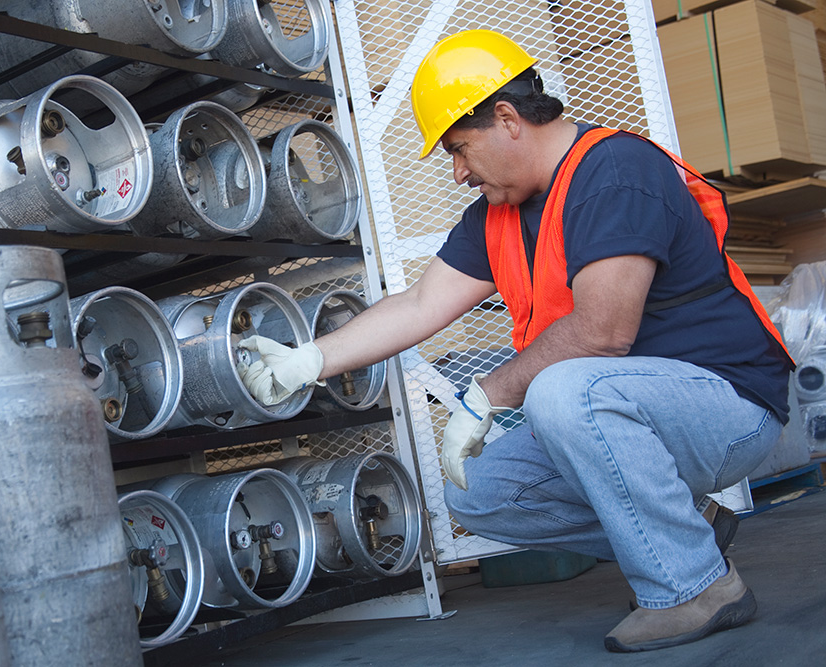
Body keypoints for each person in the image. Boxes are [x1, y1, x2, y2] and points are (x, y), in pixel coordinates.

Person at [235, 29, 794, 652]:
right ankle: (691, 533)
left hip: (728, 407)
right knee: (483, 495)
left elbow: (603, 334)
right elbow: (420, 305)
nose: (457, 172)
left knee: (561, 391)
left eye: (459, 149)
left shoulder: (615, 170)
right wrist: (311, 359)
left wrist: (486, 395)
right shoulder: (496, 218)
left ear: (506, 119)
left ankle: (695, 589)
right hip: (627, 408)